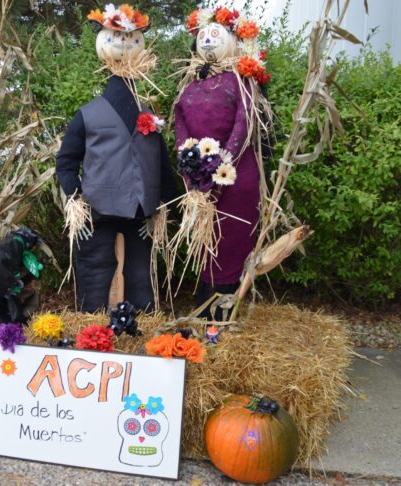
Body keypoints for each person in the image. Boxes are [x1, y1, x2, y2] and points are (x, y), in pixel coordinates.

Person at [56, 4, 177, 313]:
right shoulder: (87, 114)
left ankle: (143, 321)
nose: (125, 44)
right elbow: (66, 161)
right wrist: (76, 196)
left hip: (141, 208)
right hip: (99, 209)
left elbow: (160, 161)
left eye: (132, 39)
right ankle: (92, 324)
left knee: (141, 273)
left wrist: (170, 199)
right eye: (118, 38)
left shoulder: (149, 114)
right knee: (95, 269)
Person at [174, 7, 271, 317]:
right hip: (200, 182)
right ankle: (205, 308)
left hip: (236, 176)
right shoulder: (189, 87)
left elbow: (243, 128)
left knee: (230, 240)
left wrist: (219, 166)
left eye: (216, 35)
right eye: (203, 35)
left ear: (233, 40)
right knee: (206, 243)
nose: (208, 40)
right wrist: (191, 169)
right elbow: (181, 127)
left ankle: (227, 309)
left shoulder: (242, 84)